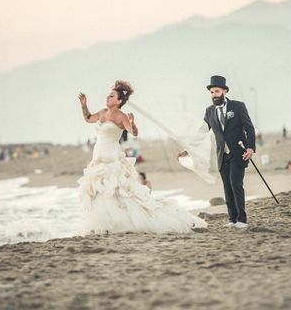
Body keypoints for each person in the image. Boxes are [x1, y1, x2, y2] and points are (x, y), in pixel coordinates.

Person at [78, 80, 206, 234]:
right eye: (108, 96)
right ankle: (105, 223)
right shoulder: (102, 112)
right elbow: (88, 118)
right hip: (98, 155)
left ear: (119, 101)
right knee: (98, 189)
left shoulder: (121, 116)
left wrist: (132, 123)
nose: (107, 98)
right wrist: (83, 104)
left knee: (115, 189)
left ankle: (121, 222)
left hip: (112, 156)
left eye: (111, 96)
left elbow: (134, 133)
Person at [178, 75, 255, 229]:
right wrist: (187, 150)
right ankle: (233, 219)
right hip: (222, 155)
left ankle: (242, 219)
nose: (214, 95)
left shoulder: (238, 106)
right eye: (212, 92)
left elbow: (249, 127)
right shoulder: (209, 111)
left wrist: (251, 147)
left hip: (238, 152)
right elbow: (201, 133)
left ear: (224, 91)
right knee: (227, 187)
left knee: (236, 184)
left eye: (217, 91)